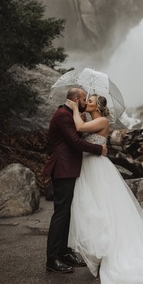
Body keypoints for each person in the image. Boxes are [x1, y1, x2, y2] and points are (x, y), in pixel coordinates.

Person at [66, 94, 143, 284]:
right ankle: (100, 252)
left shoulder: (102, 120)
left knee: (105, 208)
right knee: (93, 209)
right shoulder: (92, 119)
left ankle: (111, 253)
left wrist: (73, 109)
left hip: (97, 168)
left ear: (97, 106)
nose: (85, 103)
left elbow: (79, 129)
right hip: (87, 166)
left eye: (90, 101)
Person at [43, 87, 108, 274]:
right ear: (77, 99)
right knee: (61, 213)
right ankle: (52, 259)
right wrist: (99, 149)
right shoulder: (63, 114)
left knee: (67, 212)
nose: (86, 101)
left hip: (70, 167)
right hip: (63, 168)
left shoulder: (70, 113)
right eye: (84, 99)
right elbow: (75, 142)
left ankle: (64, 252)